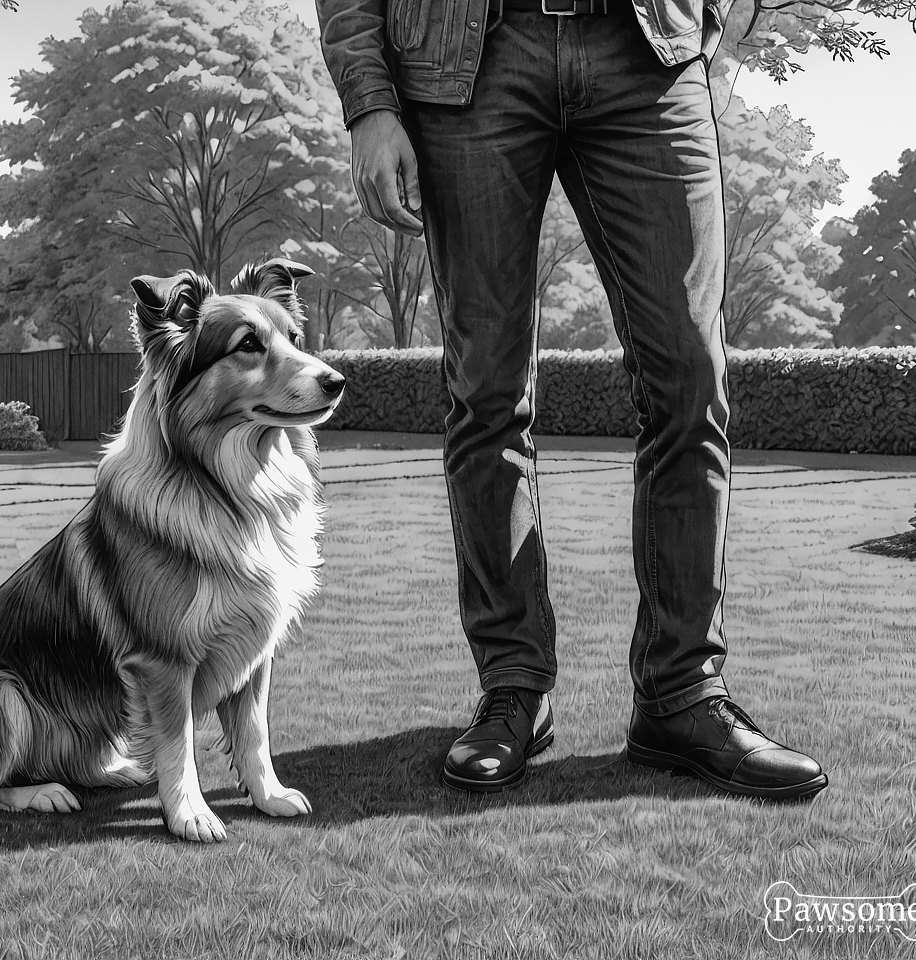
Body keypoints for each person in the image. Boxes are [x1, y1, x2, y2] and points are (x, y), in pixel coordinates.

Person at [314, 0, 828, 800]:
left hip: (646, 51)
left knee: (691, 379)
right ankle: (513, 686)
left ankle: (681, 694)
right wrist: (371, 104)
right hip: (468, 60)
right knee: (485, 390)